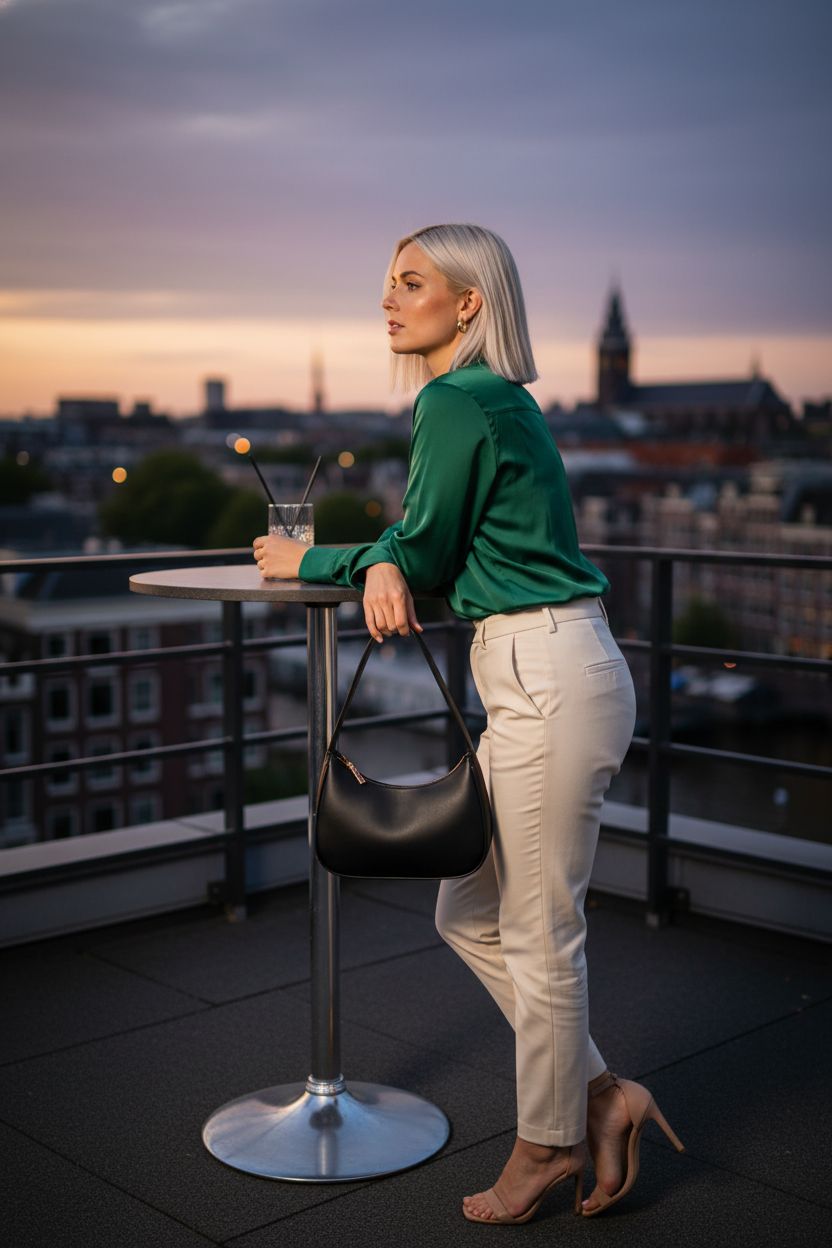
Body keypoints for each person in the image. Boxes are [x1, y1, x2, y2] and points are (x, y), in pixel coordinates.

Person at [252, 222, 684, 1224]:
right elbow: (422, 542)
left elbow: (428, 548)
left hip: (544, 675)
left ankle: (546, 1147)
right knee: (470, 912)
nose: (388, 300)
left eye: (410, 283)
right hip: (546, 671)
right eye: (387, 283)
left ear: (469, 304)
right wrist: (391, 557)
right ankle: (603, 1098)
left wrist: (312, 560)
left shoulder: (454, 398)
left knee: (539, 931)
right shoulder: (498, 401)